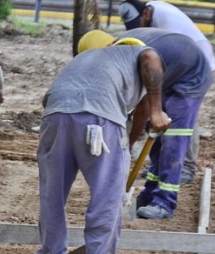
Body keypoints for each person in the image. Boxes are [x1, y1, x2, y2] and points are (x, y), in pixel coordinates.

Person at [38, 36, 169, 254]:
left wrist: (126, 148)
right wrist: (157, 110)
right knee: (106, 198)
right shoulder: (138, 54)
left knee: (52, 195)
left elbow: (141, 112)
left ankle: (51, 250)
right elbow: (150, 57)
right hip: (99, 118)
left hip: (55, 116)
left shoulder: (93, 57)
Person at [80, 28, 213, 220]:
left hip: (190, 76)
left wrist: (129, 145)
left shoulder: (132, 54)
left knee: (173, 140)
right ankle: (149, 194)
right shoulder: (123, 48)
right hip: (170, 72)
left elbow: (142, 109)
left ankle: (165, 203)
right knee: (157, 140)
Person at [119, 0, 215, 184]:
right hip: (176, 62)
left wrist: (129, 144)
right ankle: (158, 166)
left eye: (136, 22)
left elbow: (145, 105)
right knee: (162, 112)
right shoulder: (149, 24)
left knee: (182, 118)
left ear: (146, 13)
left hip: (196, 64)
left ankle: (186, 166)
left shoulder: (165, 22)